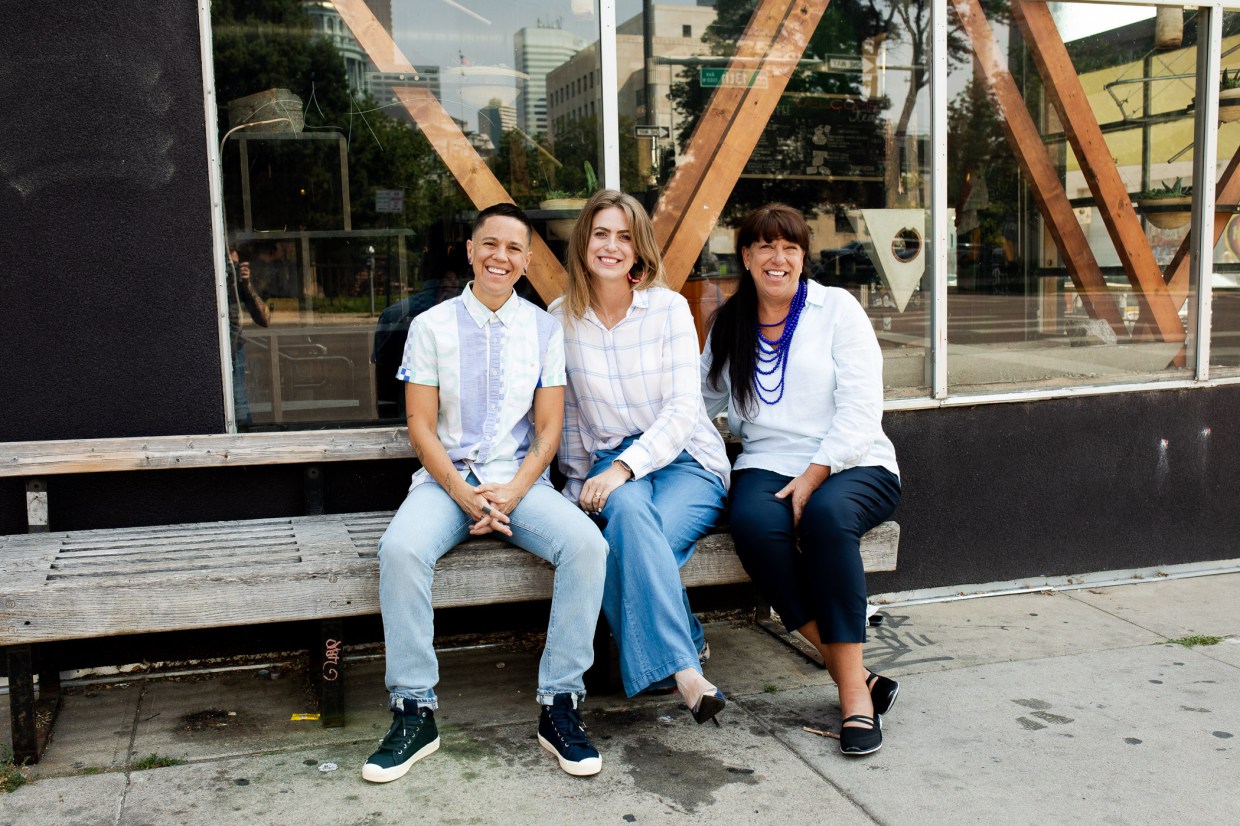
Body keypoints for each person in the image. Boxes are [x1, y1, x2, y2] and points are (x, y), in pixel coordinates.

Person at [364, 203, 609, 783]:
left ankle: (560, 705)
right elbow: (421, 426)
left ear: (526, 261)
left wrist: (513, 491)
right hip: (445, 482)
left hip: (518, 482)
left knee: (586, 547)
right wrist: (465, 493)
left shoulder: (545, 328)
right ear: (471, 252)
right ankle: (414, 710)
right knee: (399, 551)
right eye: (490, 245)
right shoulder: (430, 326)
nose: (501, 256)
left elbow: (548, 429)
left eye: (514, 249)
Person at [702, 204, 902, 756]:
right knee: (750, 523)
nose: (778, 257)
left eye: (790, 247)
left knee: (826, 517)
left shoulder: (836, 309)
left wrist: (816, 474)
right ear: (746, 256)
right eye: (765, 246)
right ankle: (856, 674)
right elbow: (698, 401)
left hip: (854, 459)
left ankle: (854, 702)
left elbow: (863, 407)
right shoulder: (730, 323)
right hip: (767, 460)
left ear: (802, 256)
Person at [551, 189, 731, 724]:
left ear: (639, 249)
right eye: (601, 234)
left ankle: (672, 660)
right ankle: (687, 668)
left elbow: (682, 410)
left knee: (621, 545)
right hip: (609, 464)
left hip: (685, 460)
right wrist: (577, 487)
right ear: (585, 241)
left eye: (624, 237)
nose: (612, 246)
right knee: (625, 516)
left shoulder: (669, 309)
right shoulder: (560, 318)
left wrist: (626, 468)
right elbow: (570, 415)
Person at [226, 248, 271, 426]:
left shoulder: (238, 286)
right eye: (228, 266)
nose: (231, 270)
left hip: (236, 348)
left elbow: (265, 319)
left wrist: (246, 284)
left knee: (240, 405)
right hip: (222, 347)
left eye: (235, 265)